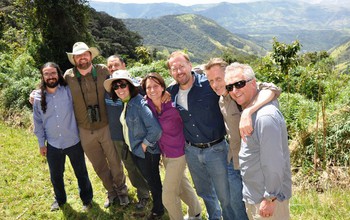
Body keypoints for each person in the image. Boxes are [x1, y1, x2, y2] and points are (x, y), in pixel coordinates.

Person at [204, 58, 281, 219]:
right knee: (235, 202)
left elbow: (271, 88)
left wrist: (247, 111)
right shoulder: (221, 99)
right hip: (234, 159)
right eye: (211, 81)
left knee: (254, 205)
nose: (215, 84)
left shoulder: (241, 92)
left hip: (253, 162)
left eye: (219, 79)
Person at [166, 51, 234, 220]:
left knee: (224, 195)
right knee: (205, 192)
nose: (179, 71)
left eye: (182, 66)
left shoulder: (208, 85)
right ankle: (214, 217)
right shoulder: (171, 91)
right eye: (174, 69)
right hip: (192, 152)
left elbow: (234, 87)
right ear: (170, 73)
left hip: (216, 149)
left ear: (190, 66)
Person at [64, 42, 128, 208]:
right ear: (74, 59)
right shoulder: (68, 76)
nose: (82, 58)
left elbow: (123, 81)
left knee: (115, 162)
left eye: (85, 54)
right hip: (85, 129)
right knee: (98, 164)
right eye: (78, 55)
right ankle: (111, 192)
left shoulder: (103, 71)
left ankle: (122, 191)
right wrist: (36, 94)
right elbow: (52, 89)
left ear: (90, 56)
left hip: (106, 125)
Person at [225, 62, 292, 220]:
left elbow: (274, 162)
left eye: (239, 84)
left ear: (253, 83)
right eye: (230, 87)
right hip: (256, 196)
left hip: (267, 201)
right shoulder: (251, 112)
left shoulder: (264, 118)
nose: (235, 91)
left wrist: (270, 198)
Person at [103, 70, 164, 220]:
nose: (119, 89)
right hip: (138, 151)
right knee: (152, 180)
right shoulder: (128, 103)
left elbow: (156, 130)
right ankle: (161, 206)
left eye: (123, 84)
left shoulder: (138, 104)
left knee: (153, 181)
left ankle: (158, 210)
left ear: (130, 85)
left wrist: (144, 145)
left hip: (146, 152)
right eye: (116, 86)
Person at [33, 62, 93, 212]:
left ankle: (87, 200)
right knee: (56, 176)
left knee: (81, 173)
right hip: (53, 144)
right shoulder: (38, 97)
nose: (50, 76)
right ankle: (60, 200)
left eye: (53, 73)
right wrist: (42, 144)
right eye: (46, 74)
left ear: (58, 74)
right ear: (42, 76)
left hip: (73, 141)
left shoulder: (68, 91)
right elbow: (38, 122)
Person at [141, 72, 202, 220]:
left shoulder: (173, 104)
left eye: (156, 86)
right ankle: (196, 212)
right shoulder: (147, 104)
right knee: (181, 184)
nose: (152, 90)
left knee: (168, 196)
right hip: (165, 153)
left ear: (163, 87)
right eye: (148, 87)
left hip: (179, 153)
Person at [105, 55, 150, 209]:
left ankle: (155, 192)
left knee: (145, 166)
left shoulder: (136, 86)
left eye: (116, 65)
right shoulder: (107, 88)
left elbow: (152, 97)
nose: (113, 68)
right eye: (110, 66)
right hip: (118, 136)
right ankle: (143, 194)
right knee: (130, 167)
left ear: (124, 65)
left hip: (137, 135)